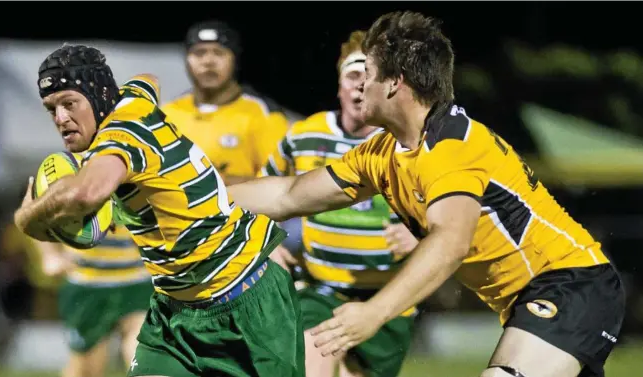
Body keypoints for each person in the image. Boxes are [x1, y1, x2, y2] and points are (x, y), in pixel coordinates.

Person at [227, 11, 625, 377]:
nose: (359, 84)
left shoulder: (452, 147)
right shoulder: (381, 153)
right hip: (531, 302)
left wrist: (374, 312)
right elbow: (289, 195)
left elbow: (451, 241)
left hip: (572, 285)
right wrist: (192, 193)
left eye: (367, 72)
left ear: (396, 81)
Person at [14, 44, 304, 377]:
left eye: (69, 104)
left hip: (245, 300)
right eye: (51, 108)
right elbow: (147, 78)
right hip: (170, 304)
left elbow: (85, 193)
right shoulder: (134, 101)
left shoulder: (118, 139)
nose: (60, 118)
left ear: (96, 95)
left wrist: (27, 219)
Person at [261, 30, 419, 377]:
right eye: (352, 76)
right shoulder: (304, 135)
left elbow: (450, 209)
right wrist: (267, 244)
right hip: (321, 291)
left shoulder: (405, 142)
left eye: (370, 77)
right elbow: (262, 189)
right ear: (339, 86)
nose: (361, 85)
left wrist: (420, 236)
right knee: (313, 364)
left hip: (388, 299)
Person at [161, 20, 289, 185]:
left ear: (235, 60)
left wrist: (220, 182)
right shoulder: (168, 112)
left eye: (219, 53)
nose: (208, 61)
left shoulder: (263, 114)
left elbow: (281, 184)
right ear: (186, 60)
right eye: (199, 53)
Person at [32, 225, 152, 377]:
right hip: (86, 284)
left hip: (137, 281)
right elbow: (33, 205)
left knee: (145, 355)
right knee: (86, 370)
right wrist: (50, 254)